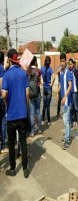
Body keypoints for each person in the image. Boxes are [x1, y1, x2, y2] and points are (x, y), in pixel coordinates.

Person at [2, 49, 30, 178]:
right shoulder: (23, 74)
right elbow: (27, 93)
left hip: (12, 115)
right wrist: (24, 106)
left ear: (9, 60)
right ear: (17, 59)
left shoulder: (7, 75)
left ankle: (13, 168)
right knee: (23, 141)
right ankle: (25, 168)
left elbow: (4, 94)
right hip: (22, 114)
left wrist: (7, 103)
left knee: (12, 143)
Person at [57, 53, 73, 150]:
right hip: (63, 99)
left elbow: (70, 85)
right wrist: (58, 93)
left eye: (64, 61)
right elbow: (60, 83)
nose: (62, 63)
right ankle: (68, 136)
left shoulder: (68, 72)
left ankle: (67, 140)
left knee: (65, 120)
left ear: (66, 61)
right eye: (61, 61)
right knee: (67, 120)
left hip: (67, 100)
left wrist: (65, 97)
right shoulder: (61, 72)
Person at [68, 58, 78, 128]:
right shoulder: (67, 71)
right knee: (71, 107)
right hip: (70, 92)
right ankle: (72, 122)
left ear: (73, 64)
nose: (70, 65)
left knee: (76, 107)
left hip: (75, 91)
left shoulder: (75, 70)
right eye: (69, 64)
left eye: (71, 64)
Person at [28, 56, 42, 137]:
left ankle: (32, 132)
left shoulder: (27, 71)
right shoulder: (38, 71)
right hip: (38, 93)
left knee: (31, 114)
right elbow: (39, 81)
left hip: (30, 94)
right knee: (38, 112)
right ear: (35, 61)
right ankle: (39, 129)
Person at [41, 56, 55, 125]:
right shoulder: (50, 69)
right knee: (48, 105)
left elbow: (39, 77)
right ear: (49, 62)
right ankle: (49, 121)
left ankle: (43, 120)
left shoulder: (42, 69)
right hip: (49, 88)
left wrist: (42, 83)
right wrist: (51, 84)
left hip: (44, 88)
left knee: (44, 105)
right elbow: (54, 77)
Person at [0, 51, 8, 154]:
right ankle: (3, 146)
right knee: (3, 121)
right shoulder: (1, 69)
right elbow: (1, 85)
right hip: (0, 100)